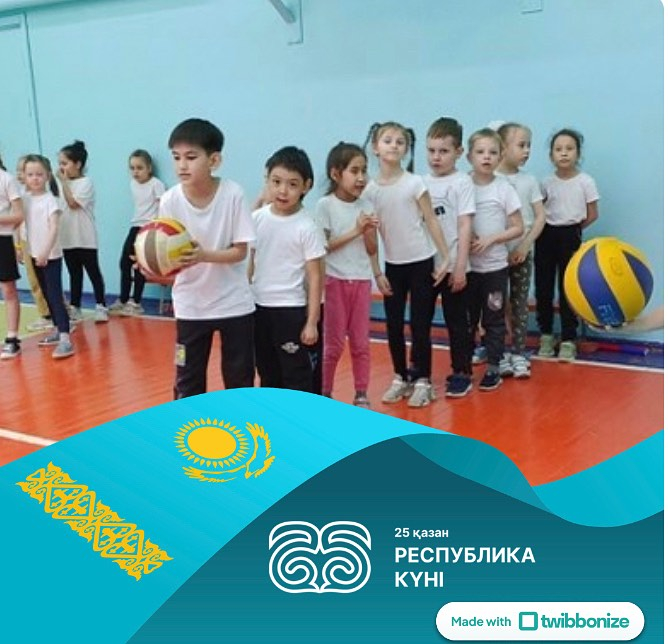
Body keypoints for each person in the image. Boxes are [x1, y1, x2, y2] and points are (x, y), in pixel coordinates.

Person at [158, 118, 256, 398]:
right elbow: (166, 253)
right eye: (176, 157)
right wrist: (151, 261)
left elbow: (240, 251)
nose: (182, 165)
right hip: (190, 304)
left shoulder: (233, 194)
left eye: (191, 157)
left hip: (233, 303)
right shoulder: (170, 200)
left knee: (239, 379)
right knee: (187, 380)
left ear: (214, 160)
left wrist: (203, 255)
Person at [362, 121, 450, 407]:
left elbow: (431, 220)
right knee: (394, 325)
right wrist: (377, 271)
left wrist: (445, 256)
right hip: (393, 266)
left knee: (420, 324)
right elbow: (370, 234)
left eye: (400, 142)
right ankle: (401, 376)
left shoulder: (414, 183)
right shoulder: (370, 191)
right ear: (376, 147)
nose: (394, 146)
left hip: (421, 262)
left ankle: (423, 380)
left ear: (406, 149)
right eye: (387, 140)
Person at [249, 146, 325, 393]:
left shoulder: (308, 226)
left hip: (291, 311)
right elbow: (250, 264)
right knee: (267, 372)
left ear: (306, 186)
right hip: (259, 308)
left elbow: (316, 277)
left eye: (292, 184)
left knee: (297, 377)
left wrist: (312, 321)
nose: (283, 190)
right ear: (267, 180)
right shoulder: (257, 218)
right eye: (276, 182)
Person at [316, 142, 378, 407]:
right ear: (336, 174)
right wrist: (356, 230)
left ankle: (361, 393)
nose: (361, 177)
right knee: (333, 345)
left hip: (361, 281)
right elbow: (323, 247)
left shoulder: (367, 205)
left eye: (364, 170)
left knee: (361, 343)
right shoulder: (325, 205)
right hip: (334, 281)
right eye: (354, 171)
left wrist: (369, 232)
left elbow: (372, 249)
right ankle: (324, 391)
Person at [466, 128, 523, 391]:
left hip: (494, 269)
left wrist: (491, 239)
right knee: (467, 319)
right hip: (467, 268)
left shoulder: (504, 188)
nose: (486, 157)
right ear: (469, 157)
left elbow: (517, 227)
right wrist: (467, 235)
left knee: (494, 318)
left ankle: (493, 366)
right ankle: (463, 367)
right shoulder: (463, 185)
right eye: (480, 152)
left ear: (500, 157)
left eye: (492, 152)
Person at [535, 128, 599, 361]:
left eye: (569, 149)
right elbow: (538, 211)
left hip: (570, 235)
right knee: (543, 287)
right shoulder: (546, 182)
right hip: (545, 235)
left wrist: (574, 229)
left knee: (568, 288)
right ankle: (546, 335)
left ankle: (569, 338)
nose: (564, 153)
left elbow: (592, 214)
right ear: (551, 155)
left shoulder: (585, 181)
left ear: (578, 153)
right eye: (558, 149)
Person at [423, 117, 475, 398]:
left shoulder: (462, 183)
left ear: (458, 152)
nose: (436, 157)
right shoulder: (421, 183)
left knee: (457, 321)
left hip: (454, 264)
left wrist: (460, 266)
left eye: (443, 151)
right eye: (431, 150)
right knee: (421, 320)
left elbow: (465, 224)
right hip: (427, 265)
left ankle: (462, 371)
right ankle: (420, 371)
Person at [496, 122, 546, 378]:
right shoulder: (489, 179)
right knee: (494, 304)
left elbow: (540, 217)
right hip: (492, 257)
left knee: (519, 304)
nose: (527, 151)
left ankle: (517, 352)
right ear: (503, 148)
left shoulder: (529, 181)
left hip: (521, 254)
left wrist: (525, 245)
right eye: (521, 145)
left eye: (529, 146)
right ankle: (496, 352)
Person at [22, 155, 74, 359]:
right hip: (34, 254)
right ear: (24, 177)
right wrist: (22, 248)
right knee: (45, 293)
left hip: (50, 255)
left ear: (47, 176)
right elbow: (22, 224)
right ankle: (56, 328)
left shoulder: (51, 201)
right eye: (30, 174)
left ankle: (65, 338)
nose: (35, 178)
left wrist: (45, 251)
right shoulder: (25, 199)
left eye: (39, 174)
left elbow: (53, 228)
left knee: (54, 294)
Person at [109, 150, 165, 316]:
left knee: (139, 264)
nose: (135, 172)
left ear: (149, 168)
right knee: (124, 262)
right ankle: (123, 299)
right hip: (135, 225)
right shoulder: (133, 184)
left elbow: (163, 206)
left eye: (140, 168)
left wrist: (157, 230)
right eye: (132, 168)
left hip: (149, 227)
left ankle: (136, 302)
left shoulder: (156, 184)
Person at [58, 140, 109, 322]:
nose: (61, 168)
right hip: (67, 236)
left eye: (65, 163)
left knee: (93, 272)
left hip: (85, 237)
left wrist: (63, 182)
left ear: (78, 164)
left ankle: (101, 305)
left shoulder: (86, 183)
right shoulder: (61, 185)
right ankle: (75, 307)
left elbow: (73, 204)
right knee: (74, 274)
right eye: (60, 163)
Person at [14, 156, 53, 332]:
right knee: (34, 280)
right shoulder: (21, 195)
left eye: (23, 171)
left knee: (46, 280)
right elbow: (18, 222)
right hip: (26, 241)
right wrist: (18, 246)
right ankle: (46, 312)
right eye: (19, 171)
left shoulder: (43, 197)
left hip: (40, 242)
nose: (20, 174)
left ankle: (51, 314)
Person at [0, 154, 24, 359]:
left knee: (8, 289)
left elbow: (19, 214)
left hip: (3, 239)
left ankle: (12, 338)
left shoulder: (6, 179)